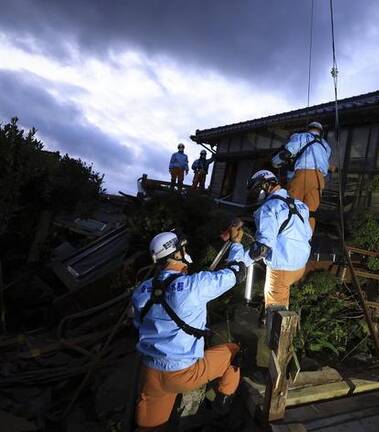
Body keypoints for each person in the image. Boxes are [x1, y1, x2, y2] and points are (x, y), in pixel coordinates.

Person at [131, 229, 245, 429]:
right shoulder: (194, 285)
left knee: (149, 427)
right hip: (183, 373)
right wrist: (236, 244)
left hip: (150, 372)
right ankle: (222, 407)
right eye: (182, 248)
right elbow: (237, 272)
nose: (185, 251)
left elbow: (140, 324)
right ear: (176, 254)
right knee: (234, 352)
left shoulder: (141, 290)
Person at [243, 170, 312, 319]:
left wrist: (242, 263)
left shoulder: (268, 208)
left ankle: (277, 339)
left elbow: (263, 247)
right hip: (300, 265)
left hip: (282, 267)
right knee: (281, 295)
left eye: (256, 190)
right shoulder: (300, 205)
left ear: (265, 186)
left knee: (277, 316)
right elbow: (308, 234)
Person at [271, 121, 332, 231]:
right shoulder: (325, 145)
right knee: (311, 211)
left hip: (304, 174)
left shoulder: (302, 136)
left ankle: (287, 233)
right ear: (321, 132)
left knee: (291, 204)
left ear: (308, 128)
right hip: (319, 179)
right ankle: (307, 240)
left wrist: (275, 162)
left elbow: (287, 153)